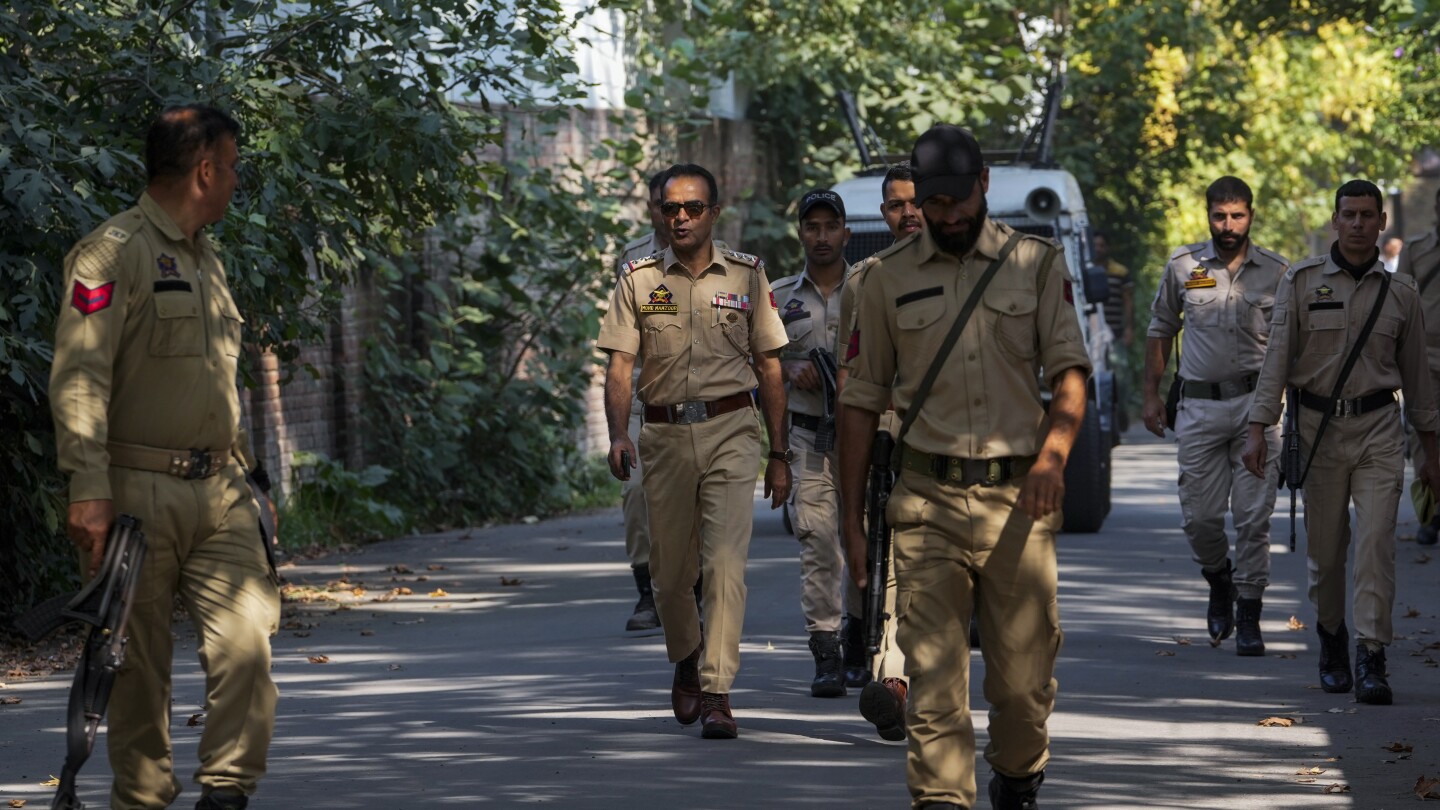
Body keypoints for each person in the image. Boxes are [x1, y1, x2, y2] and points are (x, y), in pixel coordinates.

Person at [839, 125, 1091, 810]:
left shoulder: (1034, 264)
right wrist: (851, 524)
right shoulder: (885, 280)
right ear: (918, 198)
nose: (947, 215)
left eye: (958, 199)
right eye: (934, 202)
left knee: (1021, 687)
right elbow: (859, 405)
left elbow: (1070, 373)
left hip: (1020, 504)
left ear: (984, 185)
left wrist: (1053, 461)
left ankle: (1017, 776)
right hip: (925, 506)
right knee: (934, 688)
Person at [49, 105, 279, 810]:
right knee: (136, 671)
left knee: (248, 644)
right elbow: (80, 375)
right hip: (136, 495)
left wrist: (253, 483)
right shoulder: (111, 253)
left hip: (221, 490)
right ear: (205, 169)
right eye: (234, 165)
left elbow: (213, 382)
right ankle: (143, 800)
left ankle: (226, 794)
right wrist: (89, 490)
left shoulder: (206, 258)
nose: (237, 179)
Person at [597, 163, 792, 739]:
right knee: (669, 576)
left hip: (732, 429)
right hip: (662, 436)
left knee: (725, 565)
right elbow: (620, 366)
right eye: (670, 208)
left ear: (714, 212)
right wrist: (618, 433)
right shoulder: (636, 279)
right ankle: (686, 655)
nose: (680, 217)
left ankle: (716, 690)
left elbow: (770, 367)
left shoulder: (749, 275)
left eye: (692, 208)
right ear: (658, 212)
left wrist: (779, 454)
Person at [1242, 179, 1440, 706]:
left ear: (1381, 224)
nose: (1357, 224)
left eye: (1367, 215)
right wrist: (1259, 427)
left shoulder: (1402, 294)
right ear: (1335, 220)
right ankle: (1332, 638)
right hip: (1318, 432)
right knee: (1327, 554)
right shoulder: (1302, 283)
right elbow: (1277, 359)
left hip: (1378, 430)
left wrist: (1431, 454)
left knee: (1376, 546)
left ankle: (1371, 655)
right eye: (1348, 214)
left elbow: (1418, 379)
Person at [1141, 176, 1289, 655]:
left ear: (1251, 214)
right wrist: (1151, 395)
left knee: (1252, 517)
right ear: (1208, 215)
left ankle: (1249, 613)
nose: (1228, 225)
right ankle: (1219, 578)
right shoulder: (1185, 265)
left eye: (1237, 215)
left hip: (1257, 409)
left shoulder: (1277, 272)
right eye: (1219, 216)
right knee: (1200, 519)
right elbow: (1161, 328)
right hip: (1199, 408)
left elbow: (1292, 347)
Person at [834, 162, 922, 739]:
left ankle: (906, 679)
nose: (907, 213)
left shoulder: (975, 276)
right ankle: (892, 679)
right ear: (882, 214)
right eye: (895, 205)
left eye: (916, 202)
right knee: (888, 565)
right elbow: (851, 378)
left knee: (922, 572)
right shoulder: (863, 280)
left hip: (948, 445)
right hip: (888, 444)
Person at [771, 189, 853, 697]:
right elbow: (750, 364)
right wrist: (786, 367)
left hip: (869, 436)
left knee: (870, 537)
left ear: (845, 230)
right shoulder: (779, 296)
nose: (821, 237)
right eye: (812, 226)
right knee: (818, 541)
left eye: (830, 226)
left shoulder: (871, 286)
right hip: (807, 437)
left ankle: (867, 643)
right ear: (800, 233)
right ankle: (826, 651)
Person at [615, 169, 669, 632]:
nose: (670, 214)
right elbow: (621, 344)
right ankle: (647, 593)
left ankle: (693, 590)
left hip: (696, 401)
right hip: (642, 400)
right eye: (660, 204)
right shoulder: (633, 260)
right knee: (636, 492)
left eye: (680, 204)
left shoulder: (725, 261)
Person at [1397, 187, 1440, 545]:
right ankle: (1430, 512)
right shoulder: (1417, 249)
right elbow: (1401, 304)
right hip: (1425, 357)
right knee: (1423, 434)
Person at [1093, 231, 1133, 348]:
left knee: (1117, 365)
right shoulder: (1085, 272)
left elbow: (1128, 302)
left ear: (1107, 247)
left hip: (1116, 332)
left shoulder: (1120, 272)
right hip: (1093, 332)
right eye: (1095, 245)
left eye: (1102, 245)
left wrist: (1129, 328)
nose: (1098, 249)